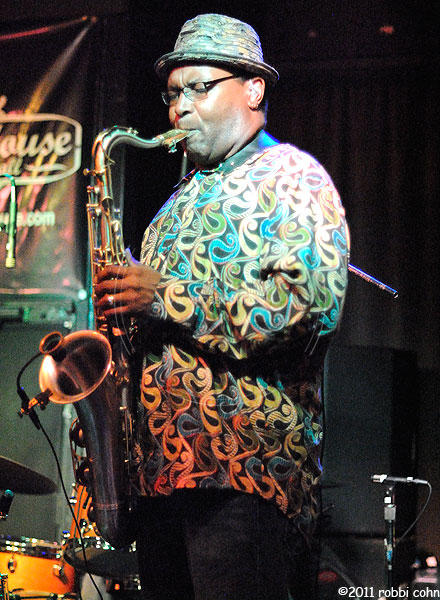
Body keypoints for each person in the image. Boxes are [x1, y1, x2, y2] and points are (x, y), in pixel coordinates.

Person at [95, 13, 350, 600]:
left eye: (199, 88)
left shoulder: (291, 176)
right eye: (172, 94)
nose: (179, 108)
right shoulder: (175, 204)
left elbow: (304, 309)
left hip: (242, 474)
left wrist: (163, 295)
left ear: (253, 89)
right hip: (160, 480)